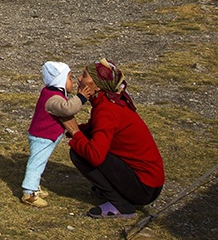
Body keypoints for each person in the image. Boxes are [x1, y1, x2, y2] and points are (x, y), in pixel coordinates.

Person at [62, 58, 164, 219]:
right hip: (150, 181)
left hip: (144, 187)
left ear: (97, 85)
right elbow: (96, 130)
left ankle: (121, 205)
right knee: (84, 144)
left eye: (84, 75)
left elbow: (95, 155)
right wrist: (64, 128)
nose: (79, 79)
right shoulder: (109, 101)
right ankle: (116, 190)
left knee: (79, 152)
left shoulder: (107, 110)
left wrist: (75, 132)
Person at [21, 61, 91, 207]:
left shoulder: (50, 93)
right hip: (43, 137)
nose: (72, 82)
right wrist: (81, 98)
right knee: (37, 163)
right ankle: (29, 192)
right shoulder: (53, 98)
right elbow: (67, 109)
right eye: (69, 78)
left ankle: (34, 187)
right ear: (59, 80)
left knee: (40, 162)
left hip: (44, 136)